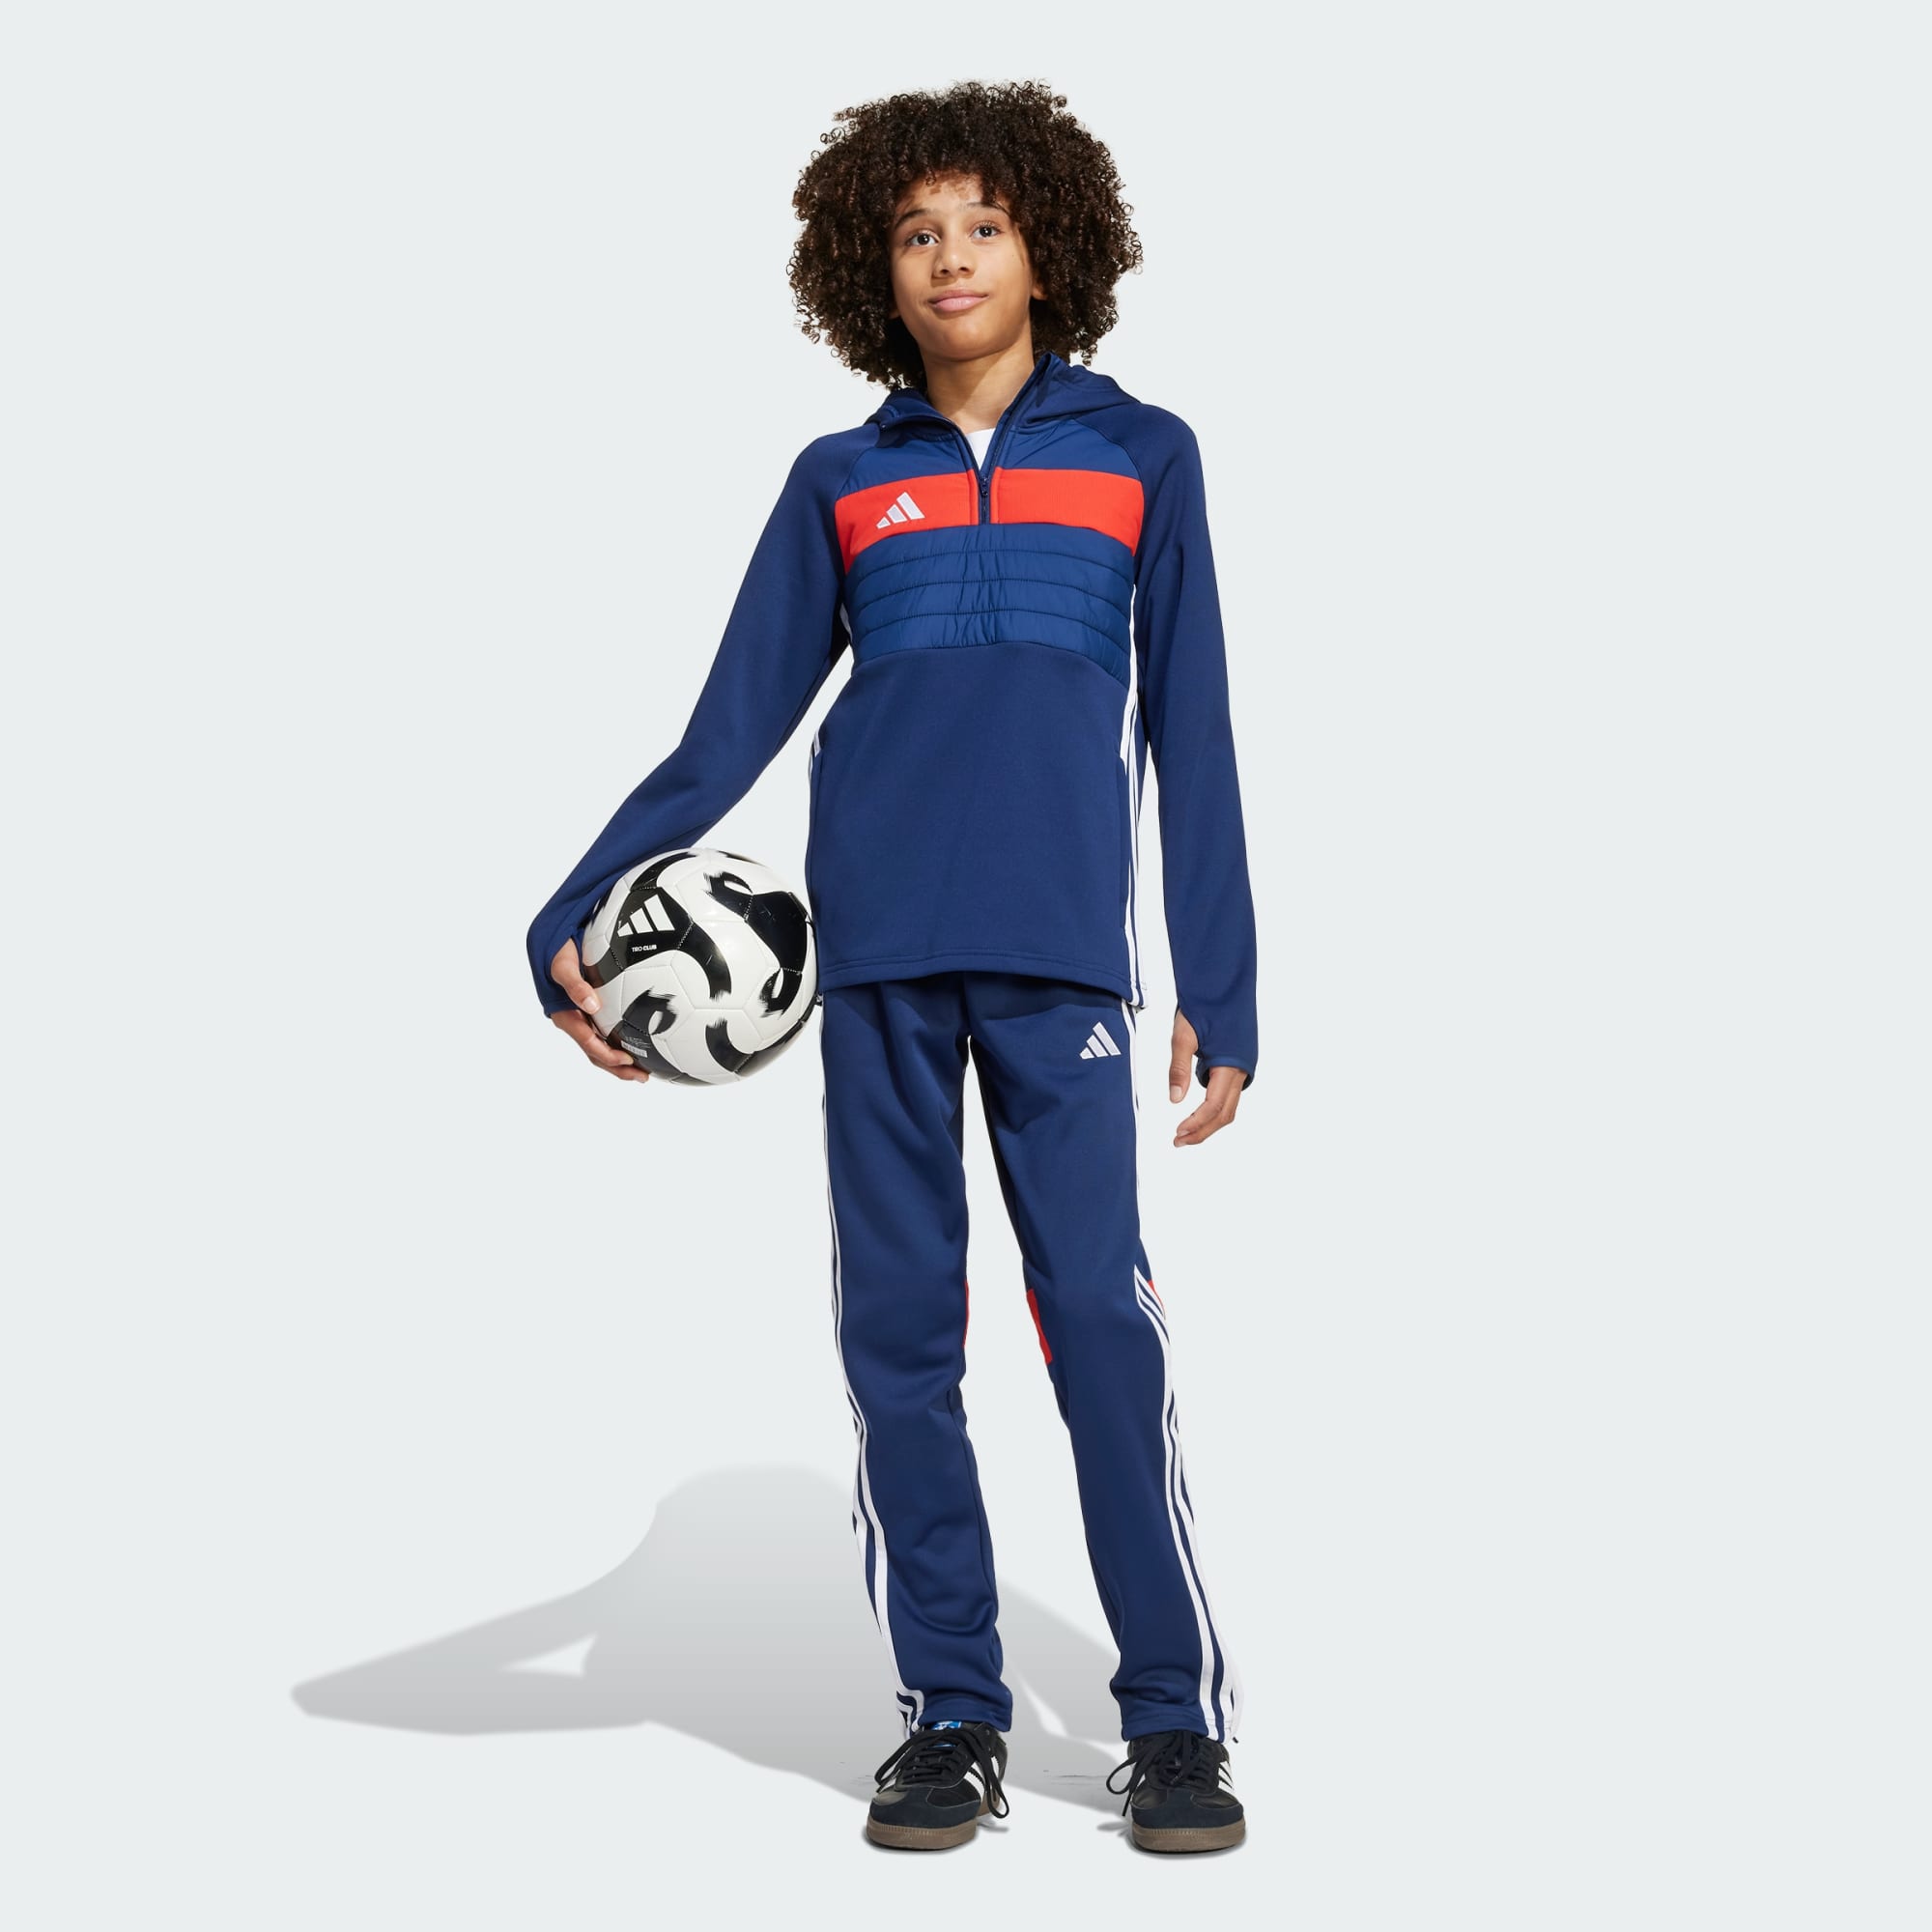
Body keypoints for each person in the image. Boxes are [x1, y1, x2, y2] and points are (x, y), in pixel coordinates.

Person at [525, 78, 1258, 1855]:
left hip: (1064, 967)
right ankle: (953, 1714)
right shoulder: (842, 480)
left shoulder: (1144, 456)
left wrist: (1222, 989)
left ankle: (1170, 1720)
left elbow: (1198, 734)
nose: (950, 258)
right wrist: (574, 908)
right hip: (873, 970)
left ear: (1047, 249)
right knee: (901, 1337)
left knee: (1100, 1325)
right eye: (917, 233)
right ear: (876, 269)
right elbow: (730, 728)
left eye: (982, 226)